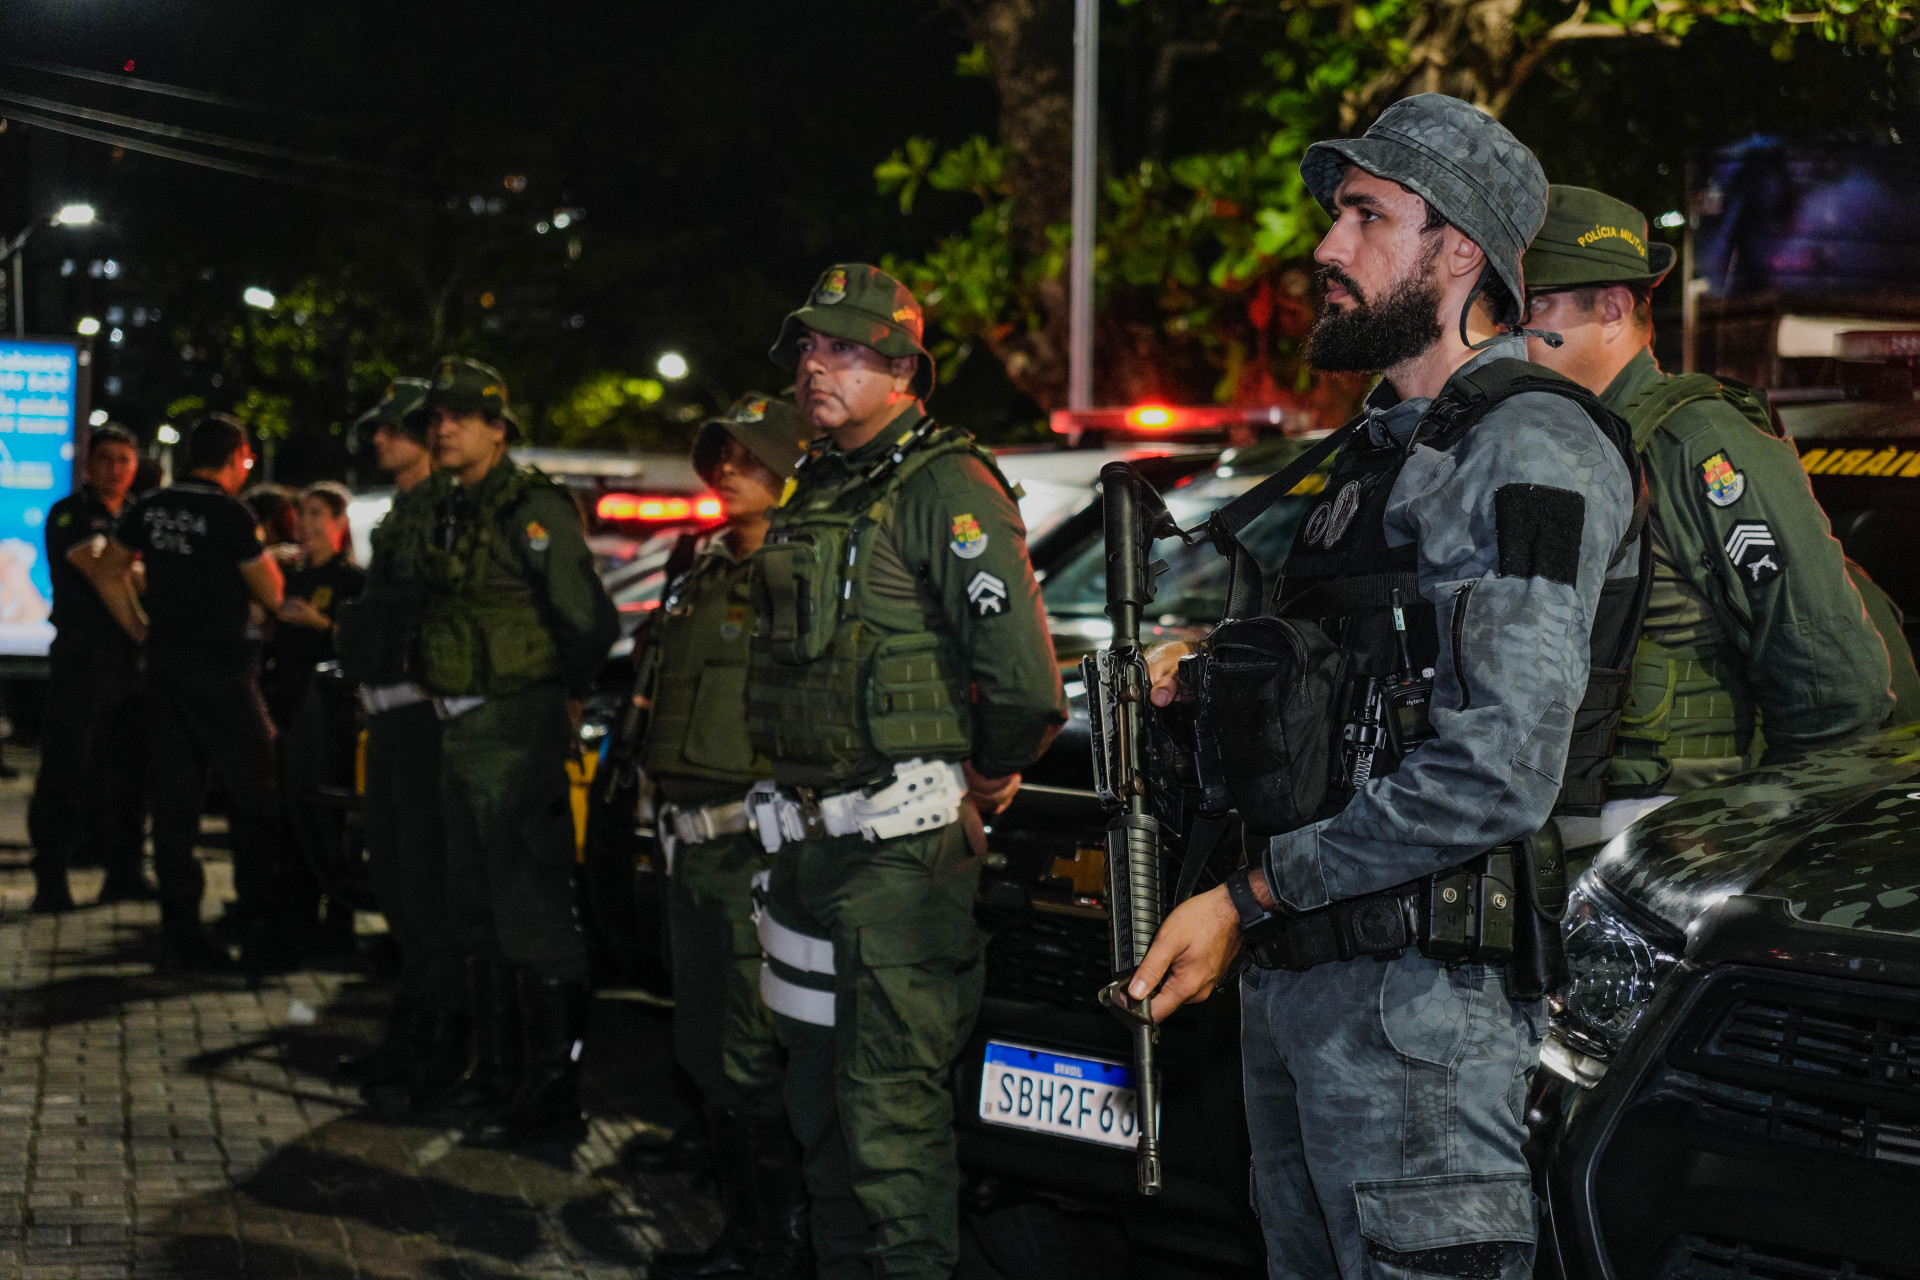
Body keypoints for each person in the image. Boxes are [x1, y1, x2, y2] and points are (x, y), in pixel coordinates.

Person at [1131, 95, 1642, 1279]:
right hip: (1316, 995)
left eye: (1366, 215)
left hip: (1419, 1019)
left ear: (1459, 248)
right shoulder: (1385, 448)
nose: (1325, 248)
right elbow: (1372, 680)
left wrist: (1248, 896)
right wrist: (1215, 672)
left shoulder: (1526, 448)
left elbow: (1498, 767)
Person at [747, 264, 1065, 1279]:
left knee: (888, 1135)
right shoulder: (821, 480)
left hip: (897, 862)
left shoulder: (942, 482)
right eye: (807, 346)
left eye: (842, 348)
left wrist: (990, 776)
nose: (814, 366)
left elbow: (1019, 684)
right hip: (806, 853)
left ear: (902, 367)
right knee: (821, 1123)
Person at [1521, 185, 1898, 846]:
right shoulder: (1550, 445)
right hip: (1563, 846)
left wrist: (1755, 841)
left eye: (1531, 307)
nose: (1507, 332)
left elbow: (1834, 685)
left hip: (1670, 849)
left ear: (1611, 308)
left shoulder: (1695, 444)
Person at [393, 357, 618, 1145]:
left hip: (513, 726)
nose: (441, 427)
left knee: (530, 910)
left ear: (498, 425)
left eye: (458, 415)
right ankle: (497, 1079)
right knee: (476, 914)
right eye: (433, 418)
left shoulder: (532, 507)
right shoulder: (448, 506)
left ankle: (550, 1100)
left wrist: (559, 694)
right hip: (459, 727)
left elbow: (588, 621)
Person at [647, 394, 811, 1280]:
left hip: (755, 844)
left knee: (750, 1050)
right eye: (722, 455)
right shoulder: (701, 570)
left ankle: (774, 1249)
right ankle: (743, 1235)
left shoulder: (797, 573)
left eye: (750, 455)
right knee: (703, 1043)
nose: (729, 469)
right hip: (690, 843)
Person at [95, 415, 289, 972]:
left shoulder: (148, 508)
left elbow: (110, 570)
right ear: (237, 458)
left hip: (165, 670)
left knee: (175, 805)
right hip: (224, 673)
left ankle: (181, 933)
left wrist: (140, 627)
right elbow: (271, 593)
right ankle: (257, 923)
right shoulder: (231, 514)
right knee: (257, 793)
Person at [332, 379, 468, 1106]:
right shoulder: (401, 514)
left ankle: (438, 1042)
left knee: (424, 884)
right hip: (387, 712)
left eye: (393, 430)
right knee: (393, 876)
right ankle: (414, 1030)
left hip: (423, 715)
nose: (379, 440)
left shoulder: (450, 511)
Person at [29, 423, 153, 913]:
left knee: (130, 770)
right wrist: (143, 629)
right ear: (88, 464)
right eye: (106, 459)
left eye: (124, 459)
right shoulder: (70, 514)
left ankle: (124, 872)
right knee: (67, 767)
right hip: (84, 659)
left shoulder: (139, 515)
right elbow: (105, 575)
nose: (115, 469)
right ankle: (51, 878)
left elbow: (131, 572)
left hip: (130, 666)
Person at [263, 482, 365, 730]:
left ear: (340, 521)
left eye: (315, 513)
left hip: (327, 701)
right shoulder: (286, 574)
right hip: (282, 694)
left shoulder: (353, 579)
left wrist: (318, 622)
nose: (304, 522)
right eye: (301, 513)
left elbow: (361, 640)